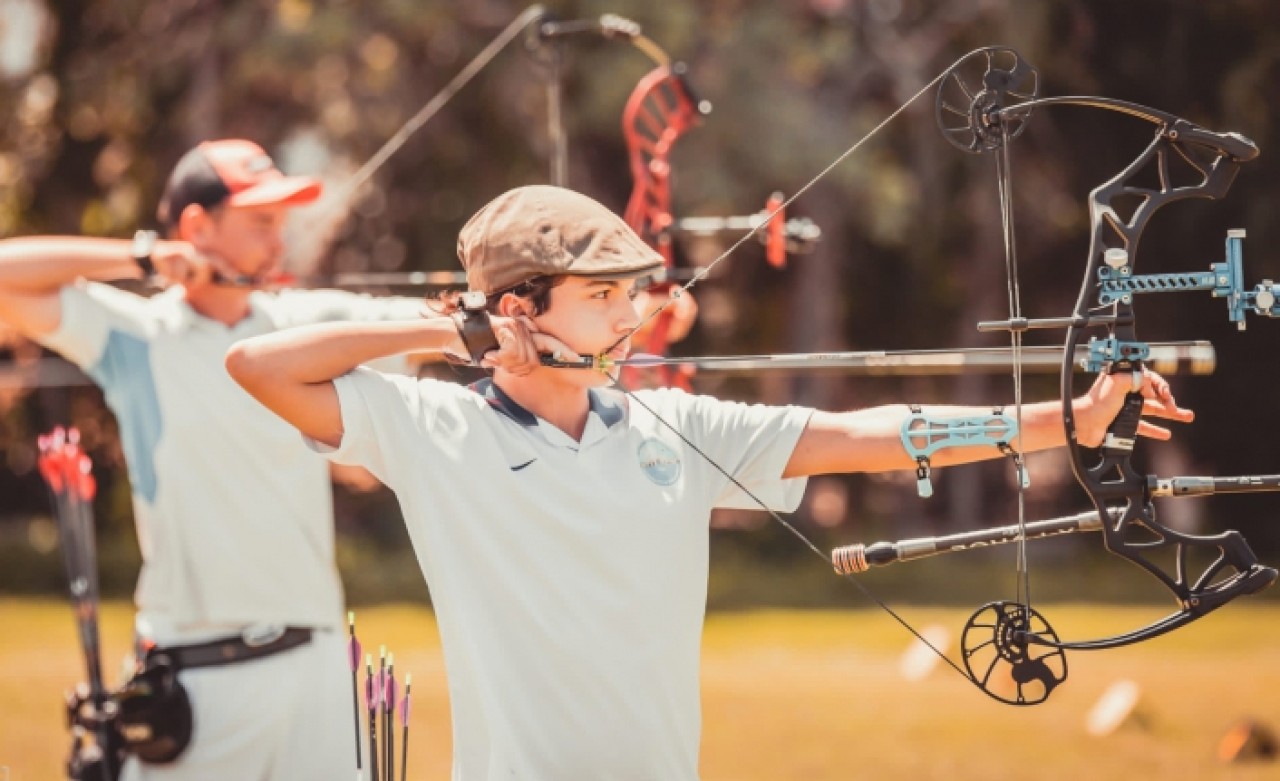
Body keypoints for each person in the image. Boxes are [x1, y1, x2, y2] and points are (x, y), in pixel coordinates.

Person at [224, 184, 1192, 780]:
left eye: (629, 294)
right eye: (600, 295)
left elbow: (868, 433)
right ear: (516, 310)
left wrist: (1057, 419)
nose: (627, 319)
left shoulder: (673, 431)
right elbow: (258, 368)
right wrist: (448, 334)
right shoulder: (432, 429)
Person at [0, 139, 426, 779]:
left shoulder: (308, 328)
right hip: (196, 679)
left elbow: (441, 326)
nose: (278, 243)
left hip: (315, 670)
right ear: (196, 226)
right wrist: (144, 256)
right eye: (260, 222)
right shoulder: (135, 335)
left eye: (280, 223)